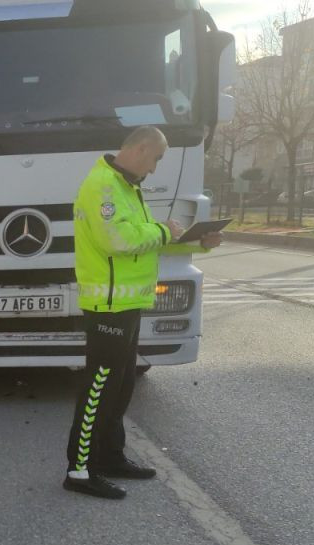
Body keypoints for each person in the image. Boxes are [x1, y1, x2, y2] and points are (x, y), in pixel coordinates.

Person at [62, 126, 222, 499]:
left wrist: (198, 243)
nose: (155, 168)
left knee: (121, 385)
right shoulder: (102, 186)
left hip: (128, 302)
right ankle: (79, 471)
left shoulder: (126, 186)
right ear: (141, 148)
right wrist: (165, 232)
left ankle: (110, 456)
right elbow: (119, 241)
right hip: (109, 305)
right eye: (156, 158)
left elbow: (147, 241)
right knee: (99, 388)